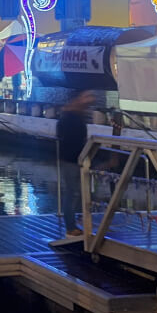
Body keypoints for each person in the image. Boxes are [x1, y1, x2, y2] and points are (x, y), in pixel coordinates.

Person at [56, 90, 96, 236]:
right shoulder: (71, 117)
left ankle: (75, 221)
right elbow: (71, 138)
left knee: (76, 192)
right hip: (72, 159)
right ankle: (71, 226)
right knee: (72, 192)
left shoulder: (71, 115)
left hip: (74, 158)